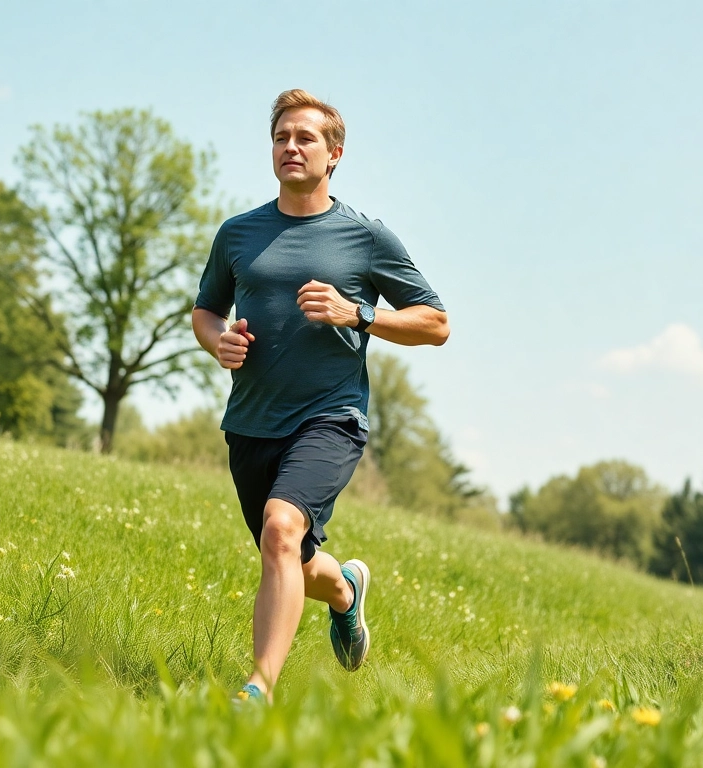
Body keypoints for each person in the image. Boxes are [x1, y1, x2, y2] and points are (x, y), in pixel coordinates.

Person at [191, 89, 450, 704]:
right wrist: (217, 342)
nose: (290, 147)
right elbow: (206, 311)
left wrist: (358, 314)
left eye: (305, 138)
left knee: (280, 530)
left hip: (331, 416)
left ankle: (258, 690)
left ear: (334, 154)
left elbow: (436, 323)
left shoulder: (364, 236)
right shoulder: (239, 233)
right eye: (281, 137)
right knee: (294, 557)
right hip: (252, 420)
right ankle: (346, 591)